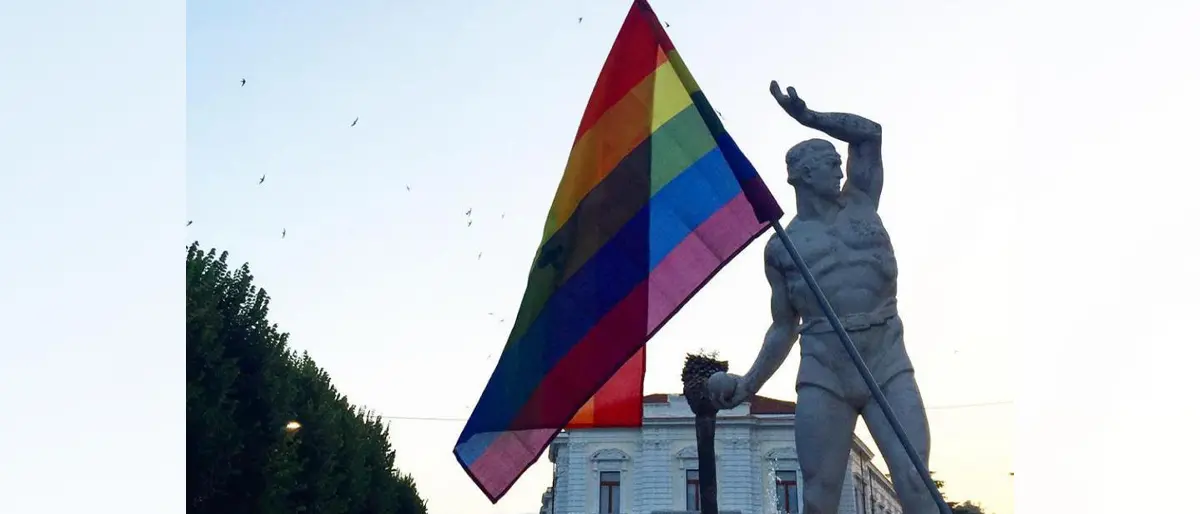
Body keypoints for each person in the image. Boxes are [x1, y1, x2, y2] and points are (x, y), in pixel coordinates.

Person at [709, 81, 936, 514]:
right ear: (803, 174)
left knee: (915, 480)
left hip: (885, 359)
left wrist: (811, 119)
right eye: (830, 162)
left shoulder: (863, 204)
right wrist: (748, 385)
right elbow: (783, 326)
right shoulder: (783, 247)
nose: (839, 168)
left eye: (838, 160)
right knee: (818, 495)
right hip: (824, 370)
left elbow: (870, 134)